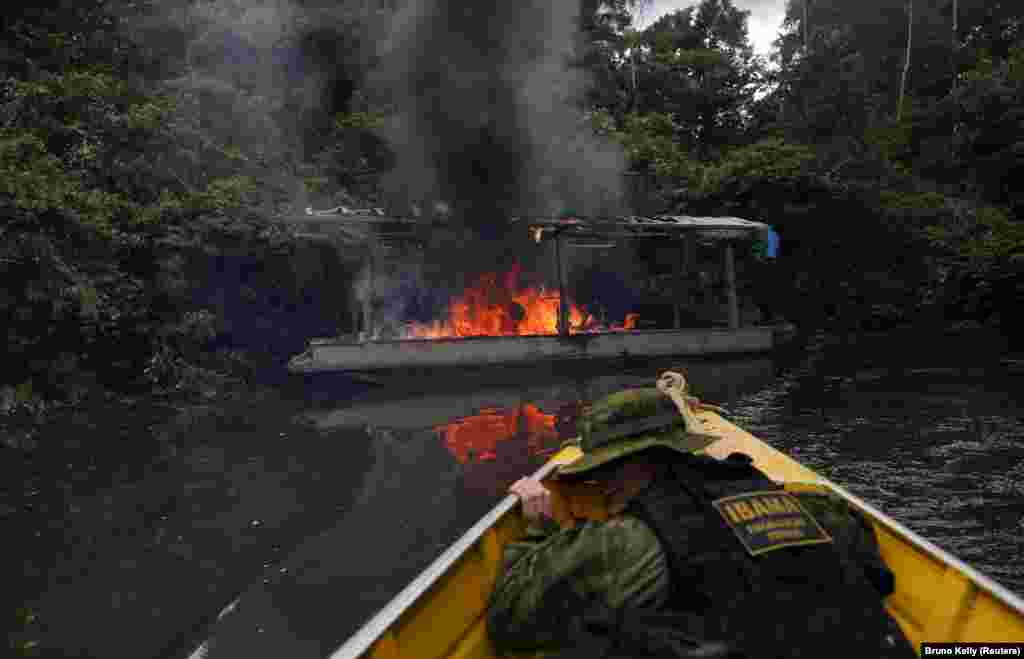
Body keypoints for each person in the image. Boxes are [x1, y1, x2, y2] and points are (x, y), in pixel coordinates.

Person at [487, 372, 915, 659]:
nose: (601, 484)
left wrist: (539, 530)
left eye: (605, 471)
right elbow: (865, 554)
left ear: (632, 464)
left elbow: (510, 621)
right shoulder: (802, 504)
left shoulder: (630, 540)